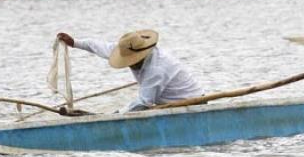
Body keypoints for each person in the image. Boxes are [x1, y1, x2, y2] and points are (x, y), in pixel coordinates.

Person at [56, 29, 202, 112]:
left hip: (191, 105)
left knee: (135, 108)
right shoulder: (126, 48)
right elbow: (98, 46)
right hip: (164, 103)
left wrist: (116, 115)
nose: (129, 64)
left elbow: (143, 102)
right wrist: (74, 42)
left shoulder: (157, 69)